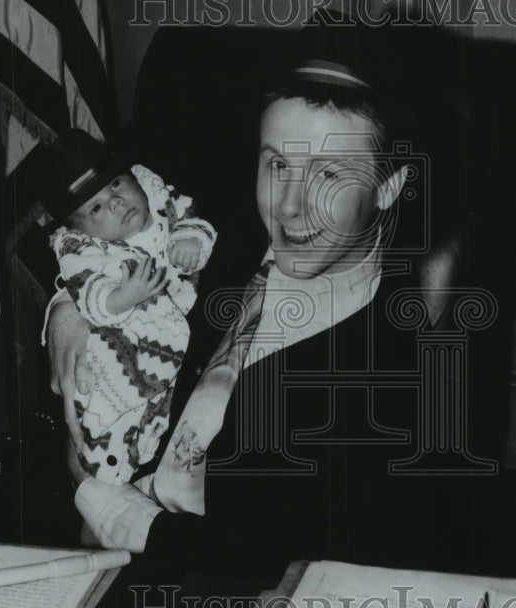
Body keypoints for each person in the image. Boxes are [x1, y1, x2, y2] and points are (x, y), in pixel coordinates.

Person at [47, 59, 488, 578]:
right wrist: (66, 309)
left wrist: (100, 500)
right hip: (91, 509)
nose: (290, 207)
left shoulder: (391, 383)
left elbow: (271, 570)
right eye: (278, 165)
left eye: (329, 174)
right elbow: (99, 241)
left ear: (387, 188)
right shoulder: (223, 240)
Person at [33, 129, 216, 501]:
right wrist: (119, 298)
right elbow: (86, 291)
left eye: (117, 184)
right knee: (105, 387)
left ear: (134, 175)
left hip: (174, 348)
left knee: (154, 403)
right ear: (79, 228)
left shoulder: (163, 201)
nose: (116, 203)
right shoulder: (85, 250)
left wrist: (193, 240)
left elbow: (197, 219)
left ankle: (135, 455)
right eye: (96, 208)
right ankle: (104, 453)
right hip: (123, 336)